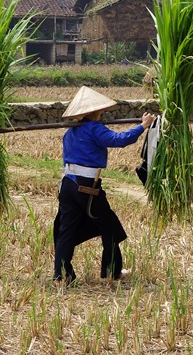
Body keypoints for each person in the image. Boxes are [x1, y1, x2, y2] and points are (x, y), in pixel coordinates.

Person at [53, 86, 156, 286]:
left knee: (67, 230)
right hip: (87, 187)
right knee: (111, 227)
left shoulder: (70, 131)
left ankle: (61, 276)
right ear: (94, 111)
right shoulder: (94, 128)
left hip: (67, 186)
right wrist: (142, 126)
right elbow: (119, 140)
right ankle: (112, 272)